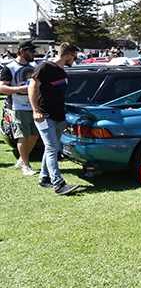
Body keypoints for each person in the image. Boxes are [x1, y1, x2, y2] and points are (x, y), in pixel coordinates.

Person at [28, 42, 80, 195]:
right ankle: (58, 184)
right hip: (44, 116)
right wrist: (36, 110)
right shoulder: (44, 67)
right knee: (52, 148)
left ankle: (44, 179)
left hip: (59, 116)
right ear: (68, 55)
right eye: (74, 57)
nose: (74, 60)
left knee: (51, 147)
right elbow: (32, 87)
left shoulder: (62, 71)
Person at [0, 40, 40, 175]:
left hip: (33, 105)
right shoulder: (9, 67)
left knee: (34, 135)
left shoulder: (34, 66)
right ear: (22, 51)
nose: (34, 53)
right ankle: (26, 166)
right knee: (22, 136)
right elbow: (2, 87)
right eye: (31, 51)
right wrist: (21, 89)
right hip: (18, 106)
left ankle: (22, 160)